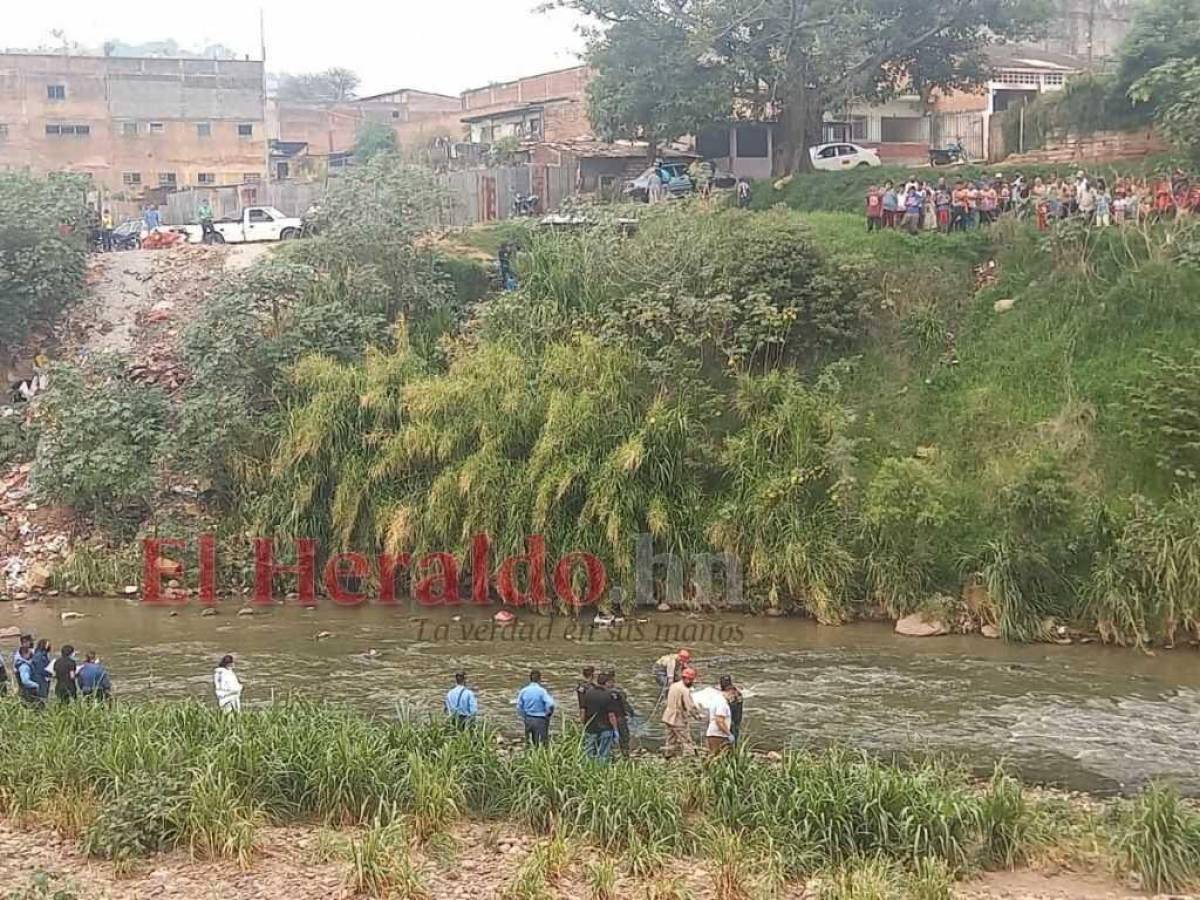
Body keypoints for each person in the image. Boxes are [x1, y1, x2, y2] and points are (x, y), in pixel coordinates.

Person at [661, 667, 702, 758]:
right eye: (691, 680)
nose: (692, 682)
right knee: (686, 740)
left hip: (668, 717)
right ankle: (690, 759)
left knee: (670, 739)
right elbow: (690, 707)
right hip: (678, 719)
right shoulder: (685, 690)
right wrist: (697, 716)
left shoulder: (673, 685)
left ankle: (668, 757)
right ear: (687, 679)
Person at [580, 672, 621, 762]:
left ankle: (588, 768)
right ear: (607, 682)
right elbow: (611, 715)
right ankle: (601, 770)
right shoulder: (609, 695)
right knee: (604, 753)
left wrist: (583, 725)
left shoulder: (588, 693)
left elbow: (583, 710)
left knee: (589, 750)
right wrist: (615, 729)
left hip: (591, 726)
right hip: (605, 727)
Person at [515, 669, 556, 747]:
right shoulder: (542, 691)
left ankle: (529, 756)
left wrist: (524, 716)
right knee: (542, 743)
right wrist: (548, 714)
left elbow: (519, 706)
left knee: (529, 742)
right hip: (540, 719)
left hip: (528, 719)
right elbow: (551, 704)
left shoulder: (524, 691)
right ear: (540, 679)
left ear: (530, 679)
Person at [606, 669, 636, 758]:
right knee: (624, 738)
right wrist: (631, 713)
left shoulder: (601, 691)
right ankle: (625, 755)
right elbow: (625, 704)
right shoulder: (619, 691)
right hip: (619, 718)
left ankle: (610, 754)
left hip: (606, 718)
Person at [702, 682, 734, 757]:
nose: (732, 697)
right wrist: (729, 734)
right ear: (730, 692)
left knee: (712, 755)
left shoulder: (716, 699)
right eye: (732, 695)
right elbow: (719, 721)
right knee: (716, 756)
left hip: (713, 733)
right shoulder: (722, 703)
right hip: (718, 735)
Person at [719, 675, 744, 746]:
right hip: (737, 719)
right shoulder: (738, 692)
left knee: (728, 740)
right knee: (735, 735)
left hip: (729, 720)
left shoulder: (726, 695)